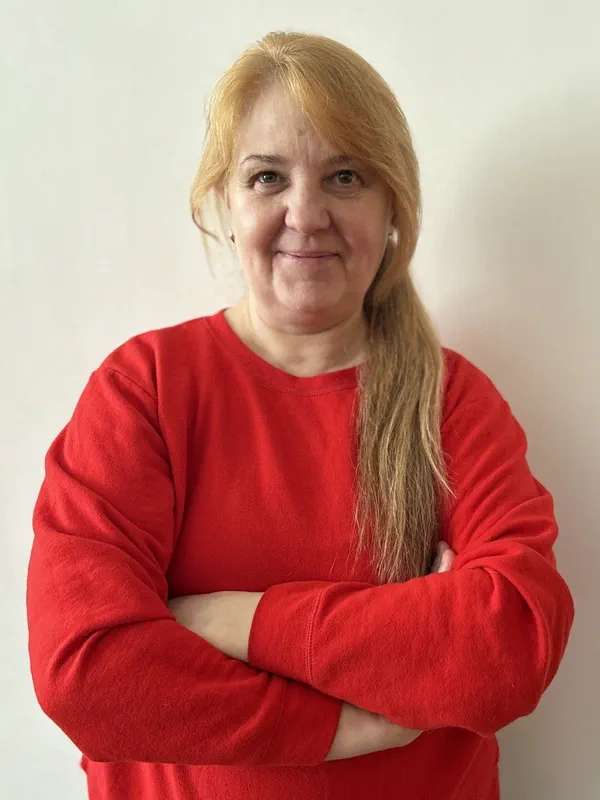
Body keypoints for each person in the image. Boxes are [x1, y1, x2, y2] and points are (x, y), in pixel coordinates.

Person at [26, 30, 574, 800]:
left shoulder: (451, 402)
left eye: (344, 176)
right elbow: (86, 671)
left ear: (392, 207)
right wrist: (349, 726)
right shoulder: (143, 390)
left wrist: (230, 622)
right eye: (267, 177)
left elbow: (511, 644)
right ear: (225, 203)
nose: (306, 214)